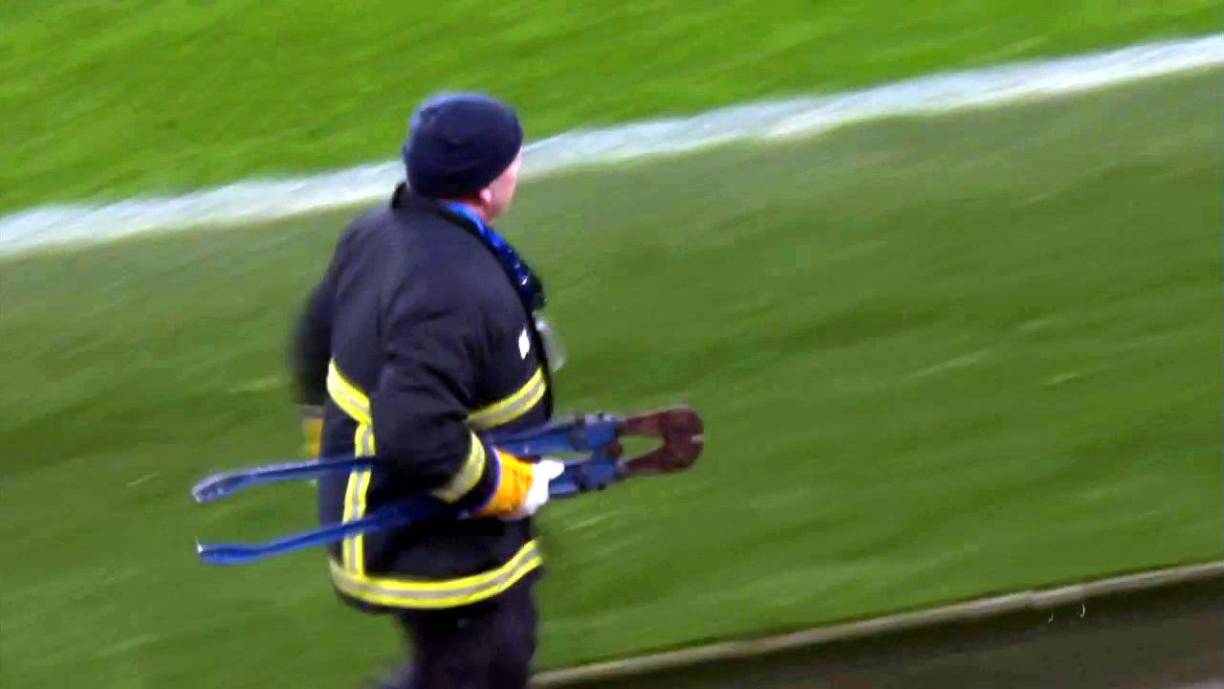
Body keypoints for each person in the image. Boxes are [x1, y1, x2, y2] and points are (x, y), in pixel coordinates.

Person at [290, 92, 565, 689]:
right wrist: (510, 486)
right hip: (429, 539)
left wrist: (322, 444)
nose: (519, 170)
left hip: (424, 515)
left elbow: (313, 335)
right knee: (481, 667)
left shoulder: (377, 233)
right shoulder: (451, 289)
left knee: (492, 655)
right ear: (486, 187)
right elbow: (417, 435)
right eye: (513, 160)